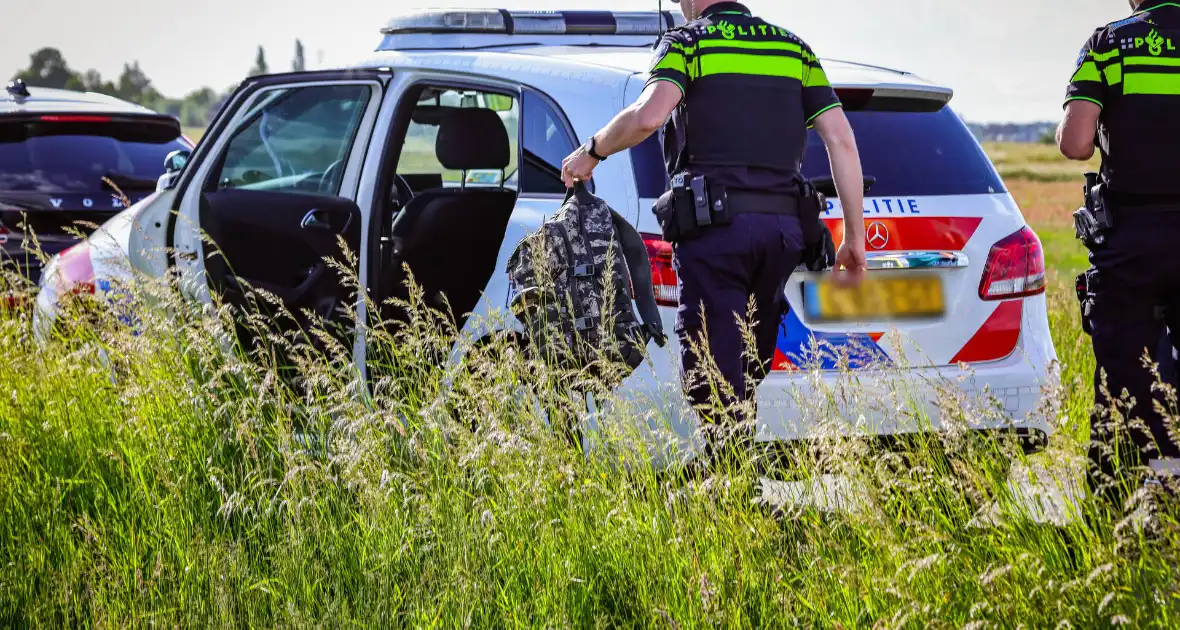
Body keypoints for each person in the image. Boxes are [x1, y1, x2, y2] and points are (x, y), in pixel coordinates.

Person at [562, 0, 867, 470]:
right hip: (783, 232)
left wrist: (592, 152)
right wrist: (853, 237)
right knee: (746, 357)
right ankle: (734, 473)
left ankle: (730, 485)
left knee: (712, 361)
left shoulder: (687, 42)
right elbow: (841, 140)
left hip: (715, 231)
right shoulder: (793, 49)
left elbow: (648, 117)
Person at [1058, 0, 1180, 508]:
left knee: (1121, 379)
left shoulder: (1109, 43)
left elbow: (1074, 144)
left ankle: (1118, 511)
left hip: (1131, 244)